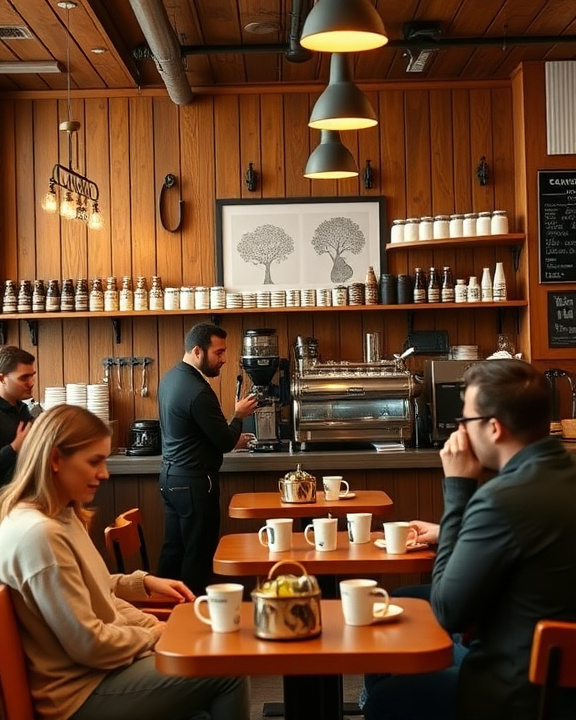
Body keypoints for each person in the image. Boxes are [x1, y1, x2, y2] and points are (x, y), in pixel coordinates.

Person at [0, 404, 250, 720]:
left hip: (96, 673)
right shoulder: (39, 535)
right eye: (94, 462)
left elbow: (96, 590)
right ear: (55, 460)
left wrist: (142, 588)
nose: (104, 473)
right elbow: (89, 644)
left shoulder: (58, 514)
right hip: (81, 694)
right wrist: (156, 635)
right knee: (227, 671)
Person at [362, 359, 576, 720]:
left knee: (389, 695)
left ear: (493, 428)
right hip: (562, 672)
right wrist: (451, 531)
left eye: (466, 420)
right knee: (404, 605)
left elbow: (449, 613)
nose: (460, 431)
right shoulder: (559, 476)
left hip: (520, 691)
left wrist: (458, 488)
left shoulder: (500, 499)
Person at [157, 322, 258, 595]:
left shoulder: (170, 379)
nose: (224, 359)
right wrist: (238, 416)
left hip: (170, 478)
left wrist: (226, 435)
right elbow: (224, 442)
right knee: (197, 557)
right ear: (198, 351)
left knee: (173, 552)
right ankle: (191, 621)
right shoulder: (198, 390)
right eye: (219, 352)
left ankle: (162, 615)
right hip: (194, 483)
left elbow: (193, 432)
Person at [0, 345, 36, 487]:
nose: (32, 383)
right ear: (2, 379)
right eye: (24, 378)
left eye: (32, 375)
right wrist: (14, 447)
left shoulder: (24, 410)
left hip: (23, 498)